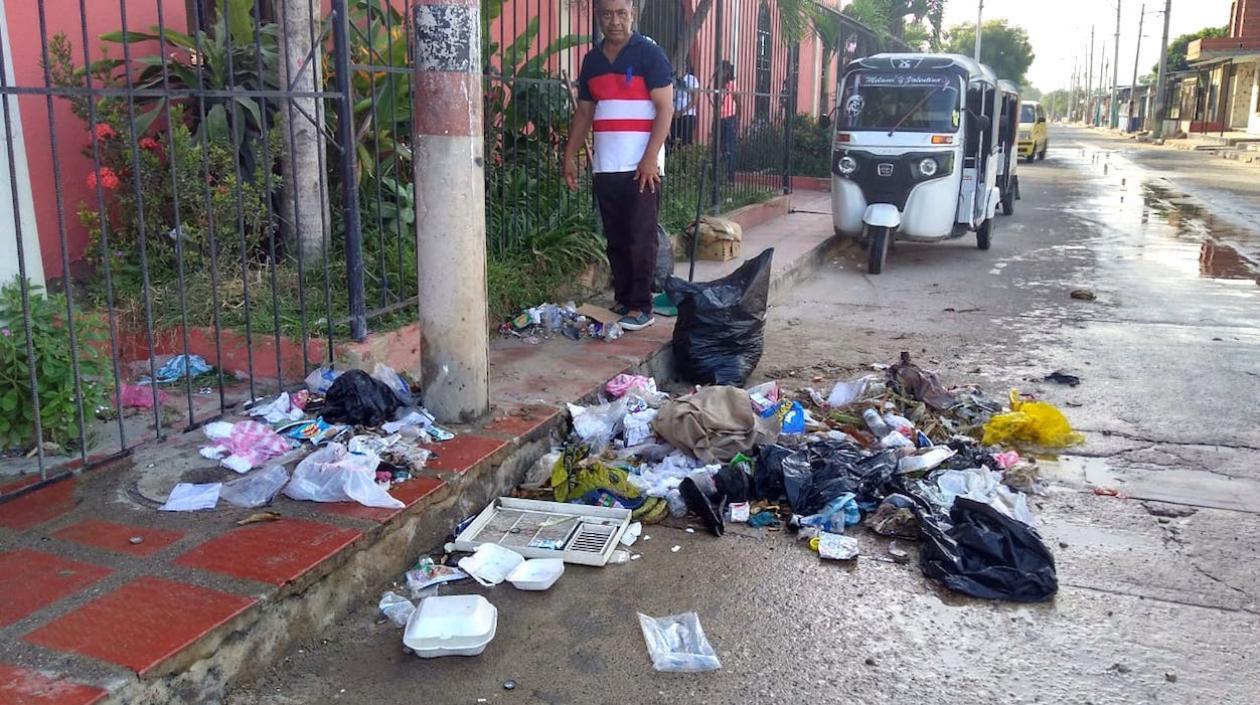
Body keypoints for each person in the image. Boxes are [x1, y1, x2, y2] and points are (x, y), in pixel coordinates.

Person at [564, 0, 673, 332]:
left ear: (632, 14)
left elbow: (665, 109)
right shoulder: (592, 61)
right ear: (598, 17)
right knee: (616, 238)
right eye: (607, 14)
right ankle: (624, 299)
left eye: (621, 13)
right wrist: (569, 156)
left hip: (642, 167)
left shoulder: (649, 54)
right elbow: (585, 112)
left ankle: (642, 306)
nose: (615, 21)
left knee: (641, 237)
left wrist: (650, 158)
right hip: (606, 165)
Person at [718, 59, 739, 183]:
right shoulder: (718, 85)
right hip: (720, 118)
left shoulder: (731, 85)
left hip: (730, 118)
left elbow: (738, 101)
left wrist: (737, 119)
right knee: (721, 147)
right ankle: (720, 175)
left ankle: (731, 177)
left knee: (730, 148)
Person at [670, 64, 699, 148]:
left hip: (687, 114)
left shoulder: (691, 79)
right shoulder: (673, 79)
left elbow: (695, 99)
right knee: (674, 141)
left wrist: (681, 112)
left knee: (686, 141)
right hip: (674, 114)